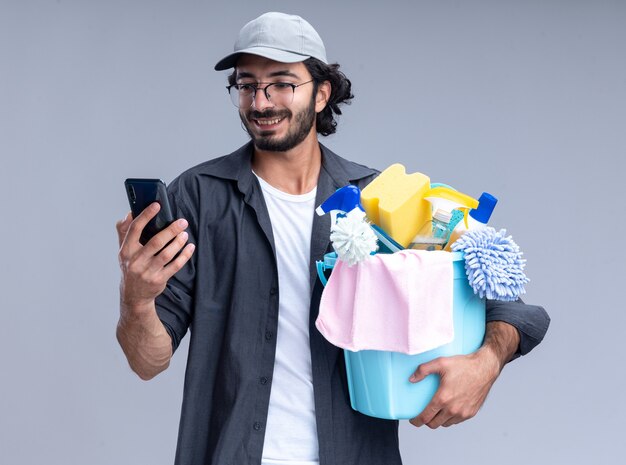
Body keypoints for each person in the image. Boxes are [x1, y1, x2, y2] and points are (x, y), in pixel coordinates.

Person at [115, 12, 550, 465]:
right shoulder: (198, 197)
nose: (261, 102)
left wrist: (486, 363)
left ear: (322, 93)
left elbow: (510, 305)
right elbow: (148, 361)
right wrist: (137, 298)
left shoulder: (379, 197)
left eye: (282, 83)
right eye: (247, 85)